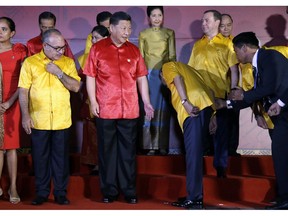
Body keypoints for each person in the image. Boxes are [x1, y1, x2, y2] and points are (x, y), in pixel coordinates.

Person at [83, 11, 154, 204]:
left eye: (129, 28)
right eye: (123, 28)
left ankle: (129, 191)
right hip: (105, 108)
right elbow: (90, 76)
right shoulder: (97, 49)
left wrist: (146, 102)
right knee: (107, 152)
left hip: (130, 109)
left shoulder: (134, 50)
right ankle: (109, 191)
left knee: (128, 152)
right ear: (111, 28)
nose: (127, 31)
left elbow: (141, 78)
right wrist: (94, 101)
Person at [18, 28, 81, 205]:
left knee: (61, 159)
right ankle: (42, 192)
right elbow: (23, 91)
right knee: (40, 158)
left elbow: (76, 87)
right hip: (39, 119)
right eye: (57, 48)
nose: (61, 51)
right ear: (45, 45)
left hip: (62, 120)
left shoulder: (67, 62)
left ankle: (60, 193)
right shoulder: (30, 63)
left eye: (63, 47)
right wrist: (25, 116)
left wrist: (59, 73)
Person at [227, 31, 288, 210]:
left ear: (244, 48)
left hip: (285, 111)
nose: (235, 55)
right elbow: (260, 93)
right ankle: (283, 196)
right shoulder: (259, 63)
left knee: (281, 154)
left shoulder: (268, 56)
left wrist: (280, 102)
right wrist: (227, 104)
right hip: (281, 113)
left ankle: (285, 199)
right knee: (281, 154)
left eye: (236, 50)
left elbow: (271, 86)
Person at [187, 10, 239, 177]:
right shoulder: (197, 45)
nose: (203, 24)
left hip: (220, 96)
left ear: (217, 22)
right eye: (202, 21)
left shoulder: (227, 44)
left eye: (207, 21)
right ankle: (199, 171)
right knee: (201, 133)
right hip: (201, 97)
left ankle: (221, 170)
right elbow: (191, 71)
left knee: (221, 135)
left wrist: (233, 91)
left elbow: (234, 70)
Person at [161, 61, 217, 209]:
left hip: (192, 110)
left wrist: (185, 102)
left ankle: (194, 199)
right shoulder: (192, 70)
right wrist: (213, 116)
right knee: (196, 154)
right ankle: (195, 196)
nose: (166, 84)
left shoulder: (167, 66)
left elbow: (177, 78)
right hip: (205, 108)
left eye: (163, 81)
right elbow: (210, 90)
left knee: (192, 155)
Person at [138, 6, 176, 155]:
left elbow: (172, 56)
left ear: (163, 16)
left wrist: (169, 75)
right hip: (147, 76)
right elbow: (140, 58)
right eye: (153, 15)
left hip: (163, 76)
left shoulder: (169, 33)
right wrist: (142, 76)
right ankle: (149, 146)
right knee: (149, 109)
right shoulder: (143, 34)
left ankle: (162, 145)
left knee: (164, 109)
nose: (157, 18)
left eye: (159, 15)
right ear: (149, 18)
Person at [0, 17, 27, 204]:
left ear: (12, 33)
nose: (0, 32)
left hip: (13, 103)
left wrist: (10, 102)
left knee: (11, 148)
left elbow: (24, 82)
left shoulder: (19, 52)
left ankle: (13, 187)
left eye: (4, 29)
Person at [79, 25, 109, 175]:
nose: (93, 40)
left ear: (106, 38)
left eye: (96, 38)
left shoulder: (112, 53)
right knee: (92, 132)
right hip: (92, 97)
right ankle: (95, 162)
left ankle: (106, 163)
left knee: (106, 133)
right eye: (92, 38)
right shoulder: (90, 53)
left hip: (108, 98)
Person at [219, 13, 241, 157]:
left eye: (229, 25)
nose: (226, 29)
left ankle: (232, 149)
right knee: (219, 120)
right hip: (219, 88)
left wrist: (234, 89)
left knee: (233, 119)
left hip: (234, 88)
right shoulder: (215, 42)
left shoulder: (237, 42)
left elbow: (236, 69)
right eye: (222, 25)